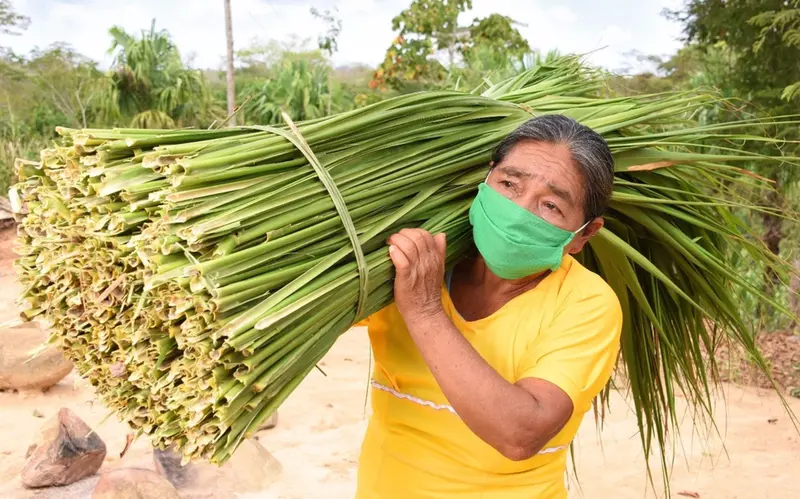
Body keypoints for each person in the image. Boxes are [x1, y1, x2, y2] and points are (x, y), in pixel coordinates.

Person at [355, 114, 623, 499]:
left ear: (584, 235)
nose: (519, 211)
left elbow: (521, 433)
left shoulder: (586, 304)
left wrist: (425, 311)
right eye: (509, 184)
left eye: (550, 205)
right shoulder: (416, 258)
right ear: (486, 179)